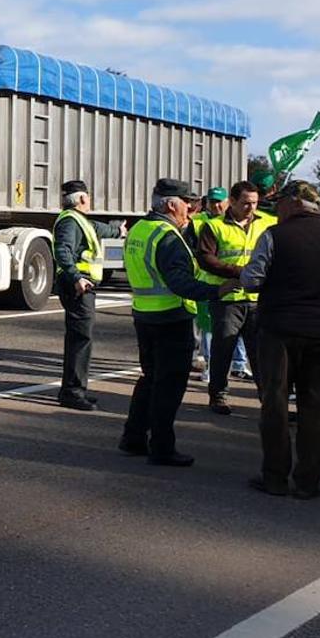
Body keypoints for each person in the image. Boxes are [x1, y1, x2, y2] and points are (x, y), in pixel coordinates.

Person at [240, 181, 320, 498]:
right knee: (315, 405)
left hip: (278, 329)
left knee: (276, 404)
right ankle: (308, 481)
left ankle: (275, 477)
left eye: (279, 203)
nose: (275, 209)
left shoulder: (274, 236)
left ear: (293, 203)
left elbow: (252, 280)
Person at [119, 178, 231, 467]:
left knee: (149, 379)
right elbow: (181, 283)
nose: (192, 209)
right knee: (168, 388)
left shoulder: (139, 229)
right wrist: (216, 291)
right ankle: (162, 448)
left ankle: (133, 438)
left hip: (144, 314)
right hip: (171, 317)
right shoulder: (168, 236)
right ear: (171, 204)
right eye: (188, 203)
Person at [195, 180, 275, 415]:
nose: (251, 208)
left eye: (255, 203)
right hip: (227, 298)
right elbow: (206, 259)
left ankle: (268, 400)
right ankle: (218, 396)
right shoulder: (214, 226)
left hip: (258, 299)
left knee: (261, 353)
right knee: (223, 349)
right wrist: (240, 273)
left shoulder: (269, 223)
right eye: (246, 203)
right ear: (232, 201)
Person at [51, 179, 124, 410]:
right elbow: (62, 250)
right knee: (80, 339)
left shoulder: (80, 221)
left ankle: (75, 389)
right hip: (78, 286)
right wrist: (75, 277)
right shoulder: (70, 223)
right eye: (88, 197)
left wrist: (118, 230)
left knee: (81, 338)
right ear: (82, 199)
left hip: (83, 286)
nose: (90, 200)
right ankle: (72, 392)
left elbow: (99, 229)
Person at [191, 187, 227, 376]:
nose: (216, 205)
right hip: (203, 282)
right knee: (208, 328)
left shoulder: (231, 223)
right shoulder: (197, 222)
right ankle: (208, 367)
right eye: (212, 201)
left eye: (220, 201)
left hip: (230, 285)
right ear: (206, 203)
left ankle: (232, 365)